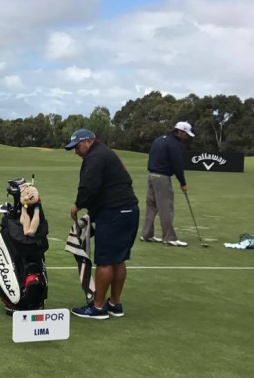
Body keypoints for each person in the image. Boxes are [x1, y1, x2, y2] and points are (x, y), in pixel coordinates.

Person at [65, 129, 139, 320]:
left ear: (88, 141)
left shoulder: (95, 156)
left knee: (105, 260)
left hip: (114, 213)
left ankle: (98, 308)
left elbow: (89, 186)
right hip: (129, 210)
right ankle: (114, 304)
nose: (76, 152)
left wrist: (78, 205)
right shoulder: (106, 152)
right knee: (118, 259)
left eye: (78, 147)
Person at [140, 121, 194, 247]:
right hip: (162, 178)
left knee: (151, 206)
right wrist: (183, 182)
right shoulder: (174, 144)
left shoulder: (159, 139)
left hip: (151, 176)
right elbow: (177, 165)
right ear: (180, 131)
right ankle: (169, 237)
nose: (186, 137)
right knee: (166, 208)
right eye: (185, 134)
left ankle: (147, 234)